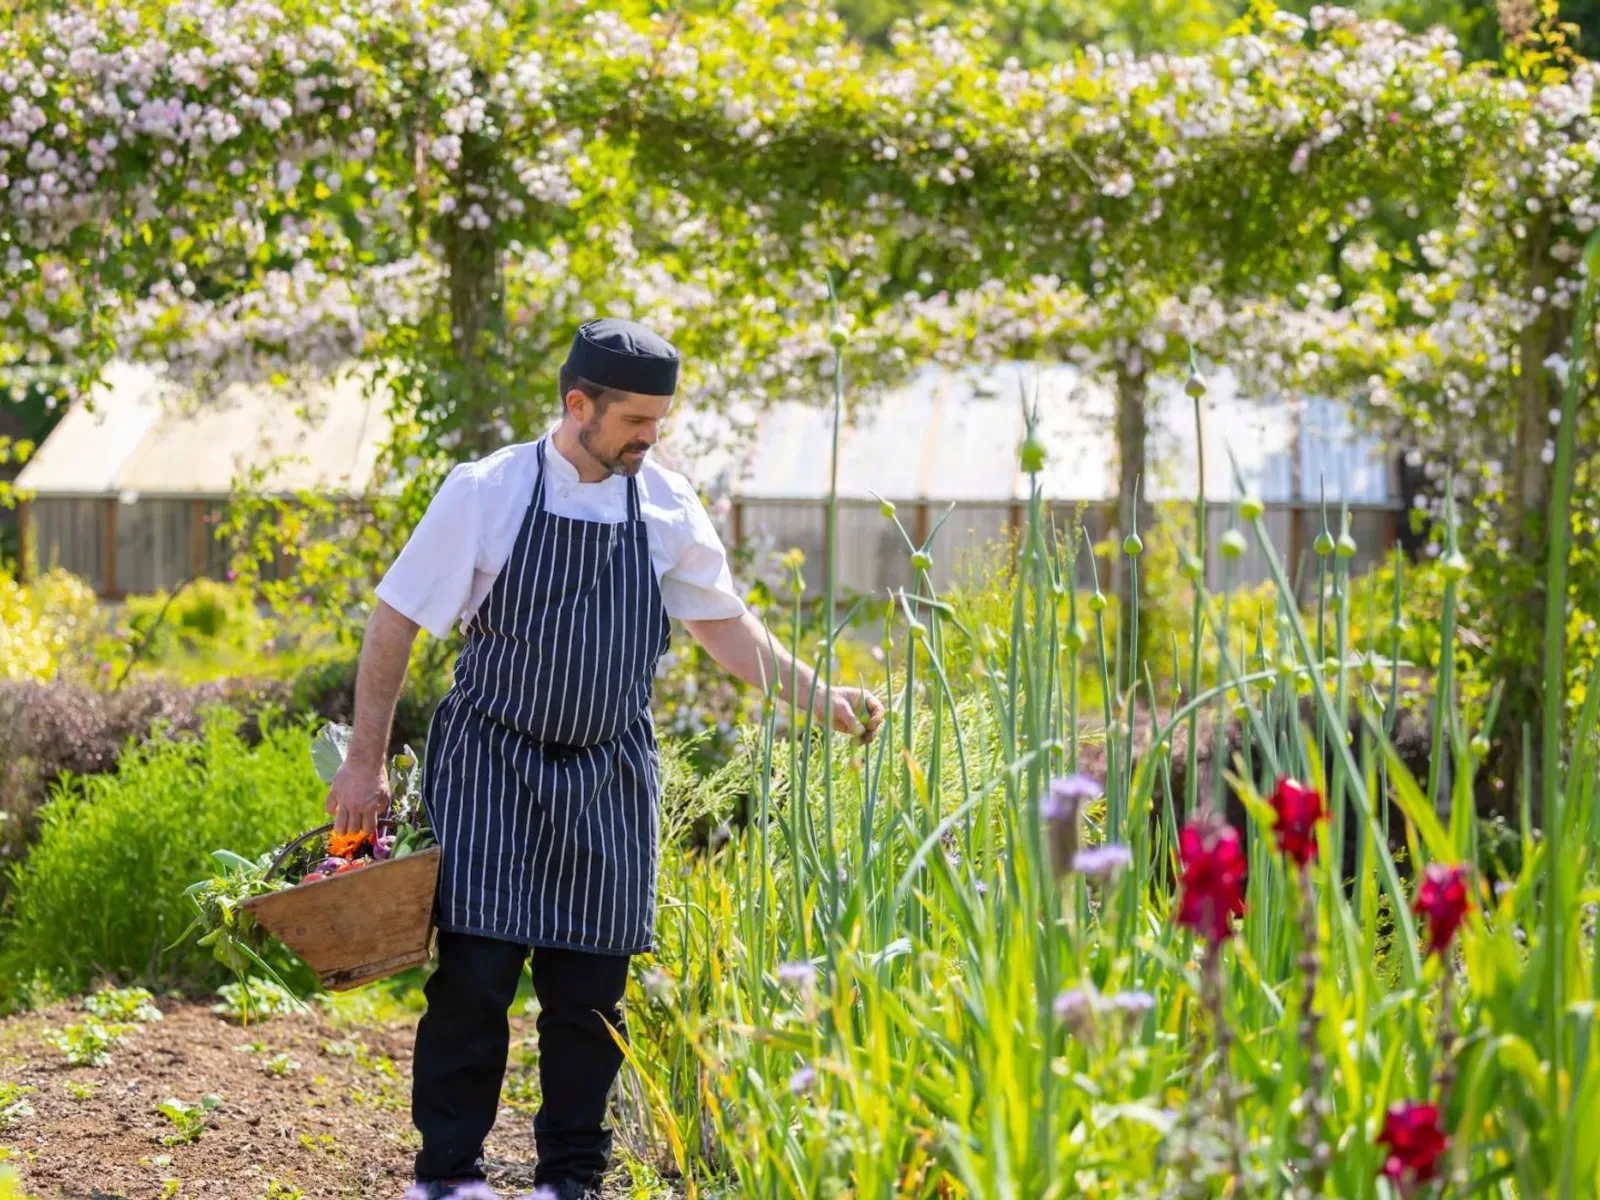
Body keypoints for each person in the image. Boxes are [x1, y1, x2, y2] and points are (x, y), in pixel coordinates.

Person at [322, 317, 886, 1200]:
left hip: (608, 771)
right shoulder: (488, 491)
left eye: (660, 422)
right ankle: (448, 1178)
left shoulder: (663, 502)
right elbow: (396, 619)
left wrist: (826, 700)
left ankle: (572, 1181)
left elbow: (724, 624)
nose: (650, 439)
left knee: (589, 997)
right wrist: (366, 762)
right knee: (474, 984)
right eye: (635, 423)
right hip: (492, 762)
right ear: (577, 404)